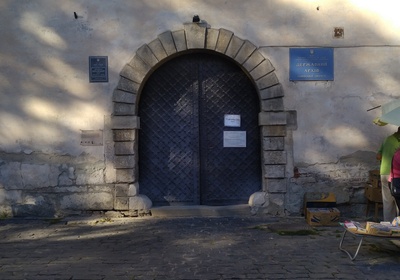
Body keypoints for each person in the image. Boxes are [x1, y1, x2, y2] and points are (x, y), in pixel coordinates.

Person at [376, 126, 400, 221]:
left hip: (384, 172)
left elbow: (378, 156)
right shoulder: (398, 142)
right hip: (395, 174)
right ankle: (398, 226)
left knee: (387, 201)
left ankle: (388, 225)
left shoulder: (387, 139)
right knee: (398, 201)